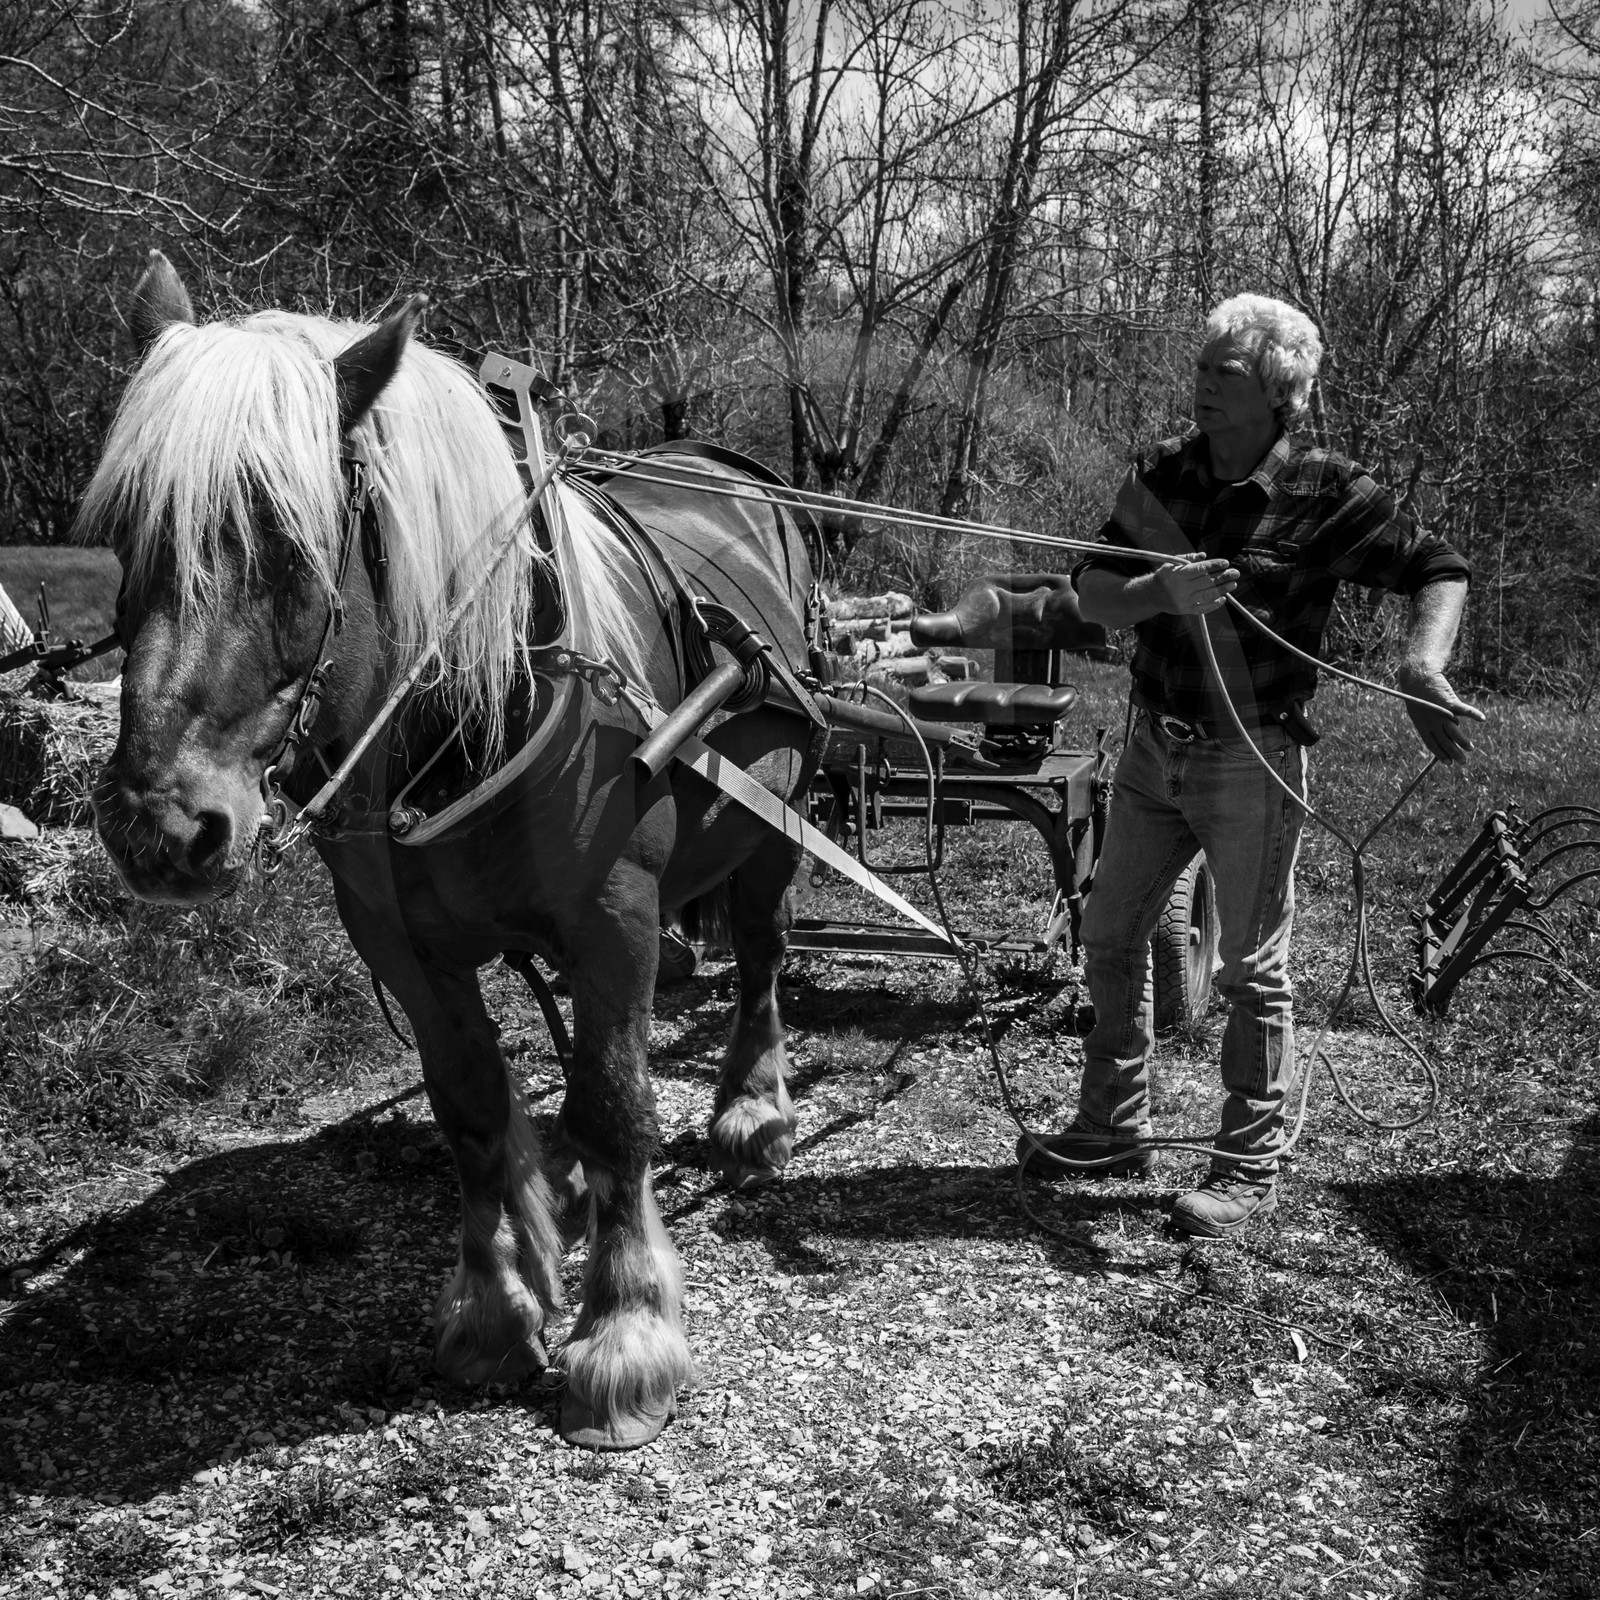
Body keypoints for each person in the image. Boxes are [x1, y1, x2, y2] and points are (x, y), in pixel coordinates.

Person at [1020, 292, 1481, 1237]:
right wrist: (1156, 588)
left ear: (1281, 395)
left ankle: (1248, 1164)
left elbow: (1440, 566)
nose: (1201, 389)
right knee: (1109, 937)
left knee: (1249, 970)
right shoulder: (1159, 472)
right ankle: (1111, 1124)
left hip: (1251, 760)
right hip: (1154, 746)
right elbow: (1091, 592)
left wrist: (1420, 661)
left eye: (1223, 377)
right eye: (1200, 369)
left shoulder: (1327, 491)